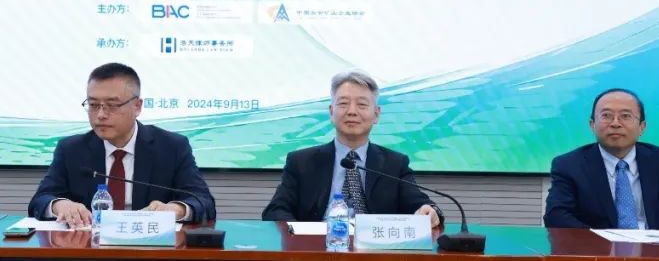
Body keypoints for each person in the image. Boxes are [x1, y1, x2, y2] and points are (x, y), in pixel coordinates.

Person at [28, 62, 216, 226]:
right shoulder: (71, 149)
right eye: (93, 105)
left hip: (149, 247)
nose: (101, 114)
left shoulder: (172, 147)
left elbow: (204, 202)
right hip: (88, 247)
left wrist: (175, 210)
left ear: (137, 106)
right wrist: (60, 205)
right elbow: (40, 200)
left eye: (112, 105)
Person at [262, 70, 443, 225]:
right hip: (317, 248)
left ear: (376, 114)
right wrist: (301, 236)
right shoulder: (301, 162)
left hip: (375, 249)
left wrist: (429, 211)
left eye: (362, 105)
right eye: (343, 103)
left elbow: (420, 204)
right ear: (331, 112)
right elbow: (275, 210)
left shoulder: (395, 164)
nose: (352, 111)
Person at [544, 88, 659, 231]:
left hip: (656, 252)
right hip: (598, 252)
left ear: (642, 127)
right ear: (592, 125)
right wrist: (602, 243)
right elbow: (556, 216)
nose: (615, 123)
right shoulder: (569, 165)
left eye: (625, 116)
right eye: (606, 116)